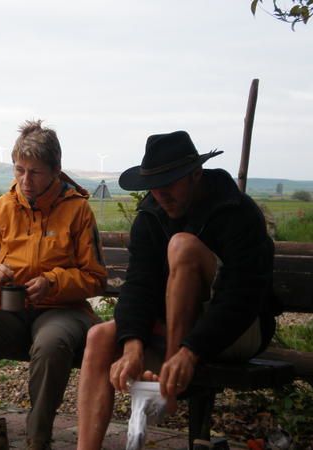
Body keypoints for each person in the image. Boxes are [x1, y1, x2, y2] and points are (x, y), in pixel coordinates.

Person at [76, 130, 279, 449]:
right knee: (99, 337)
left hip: (238, 330)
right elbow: (139, 284)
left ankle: (170, 387)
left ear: (195, 174)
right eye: (153, 187)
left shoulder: (237, 212)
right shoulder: (150, 217)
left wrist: (190, 351)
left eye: (169, 183)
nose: (160, 195)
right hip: (177, 328)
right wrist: (132, 345)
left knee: (182, 246)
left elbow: (242, 297)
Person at [0, 120, 107, 450]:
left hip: (64, 310)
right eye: (19, 170)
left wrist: (52, 281)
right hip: (7, 310)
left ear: (56, 171)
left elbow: (95, 277)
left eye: (35, 172)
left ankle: (38, 436)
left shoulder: (78, 211)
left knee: (50, 344)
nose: (25, 181)